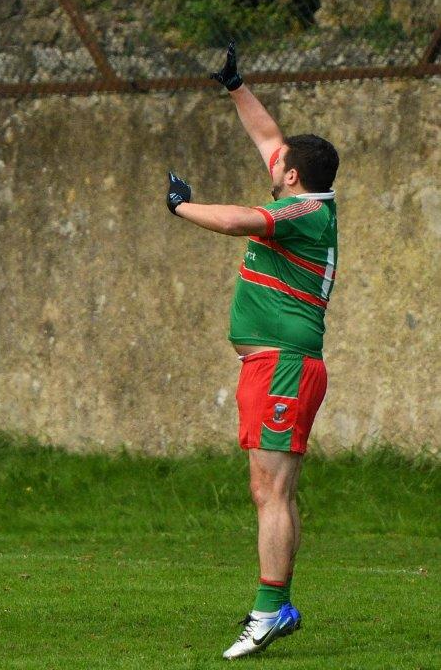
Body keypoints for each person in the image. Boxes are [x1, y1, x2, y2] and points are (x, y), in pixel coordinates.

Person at [167, 42, 339, 660]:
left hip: (283, 367)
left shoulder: (303, 213)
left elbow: (241, 220)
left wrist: (182, 207)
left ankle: (268, 612)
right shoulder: (305, 192)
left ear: (292, 176)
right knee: (272, 491)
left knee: (271, 492)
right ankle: (278, 605)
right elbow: (270, 138)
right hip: (274, 365)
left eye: (279, 161)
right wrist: (238, 87)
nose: (271, 159)